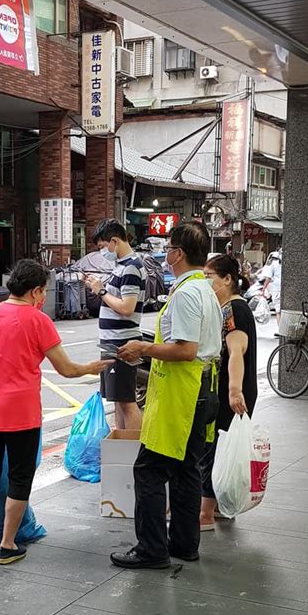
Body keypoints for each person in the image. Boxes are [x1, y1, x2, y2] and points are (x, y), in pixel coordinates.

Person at [0, 259, 110, 566]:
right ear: (36, 291)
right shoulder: (38, 321)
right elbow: (66, 369)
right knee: (20, 475)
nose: (43, 299)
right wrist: (91, 368)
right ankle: (7, 544)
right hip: (20, 411)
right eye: (43, 293)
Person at [110, 222, 222, 569]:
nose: (166, 252)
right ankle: (185, 544)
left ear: (179, 254)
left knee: (148, 470)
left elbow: (186, 350)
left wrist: (144, 347)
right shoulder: (204, 289)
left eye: (170, 246)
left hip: (182, 395)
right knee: (187, 469)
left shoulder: (188, 293)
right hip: (200, 391)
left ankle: (152, 549)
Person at [200, 255, 258, 530]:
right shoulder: (231, 306)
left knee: (216, 449)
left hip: (231, 390)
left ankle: (206, 515)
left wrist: (234, 391)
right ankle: (221, 507)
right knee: (221, 449)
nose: (205, 281)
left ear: (226, 279)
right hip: (235, 388)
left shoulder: (233, 308)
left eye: (209, 276)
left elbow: (236, 350)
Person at [85, 218, 146, 431]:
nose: (102, 251)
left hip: (122, 343)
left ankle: (131, 452)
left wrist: (101, 291)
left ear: (114, 241)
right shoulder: (121, 267)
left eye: (103, 247)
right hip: (114, 343)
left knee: (127, 402)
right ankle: (121, 448)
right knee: (119, 400)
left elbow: (127, 307)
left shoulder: (131, 267)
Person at [261, 249, 282, 333]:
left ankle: (280, 330)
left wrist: (263, 289)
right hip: (286, 289)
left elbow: (268, 278)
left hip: (277, 289)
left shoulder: (274, 264)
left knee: (278, 311)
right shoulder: (289, 264)